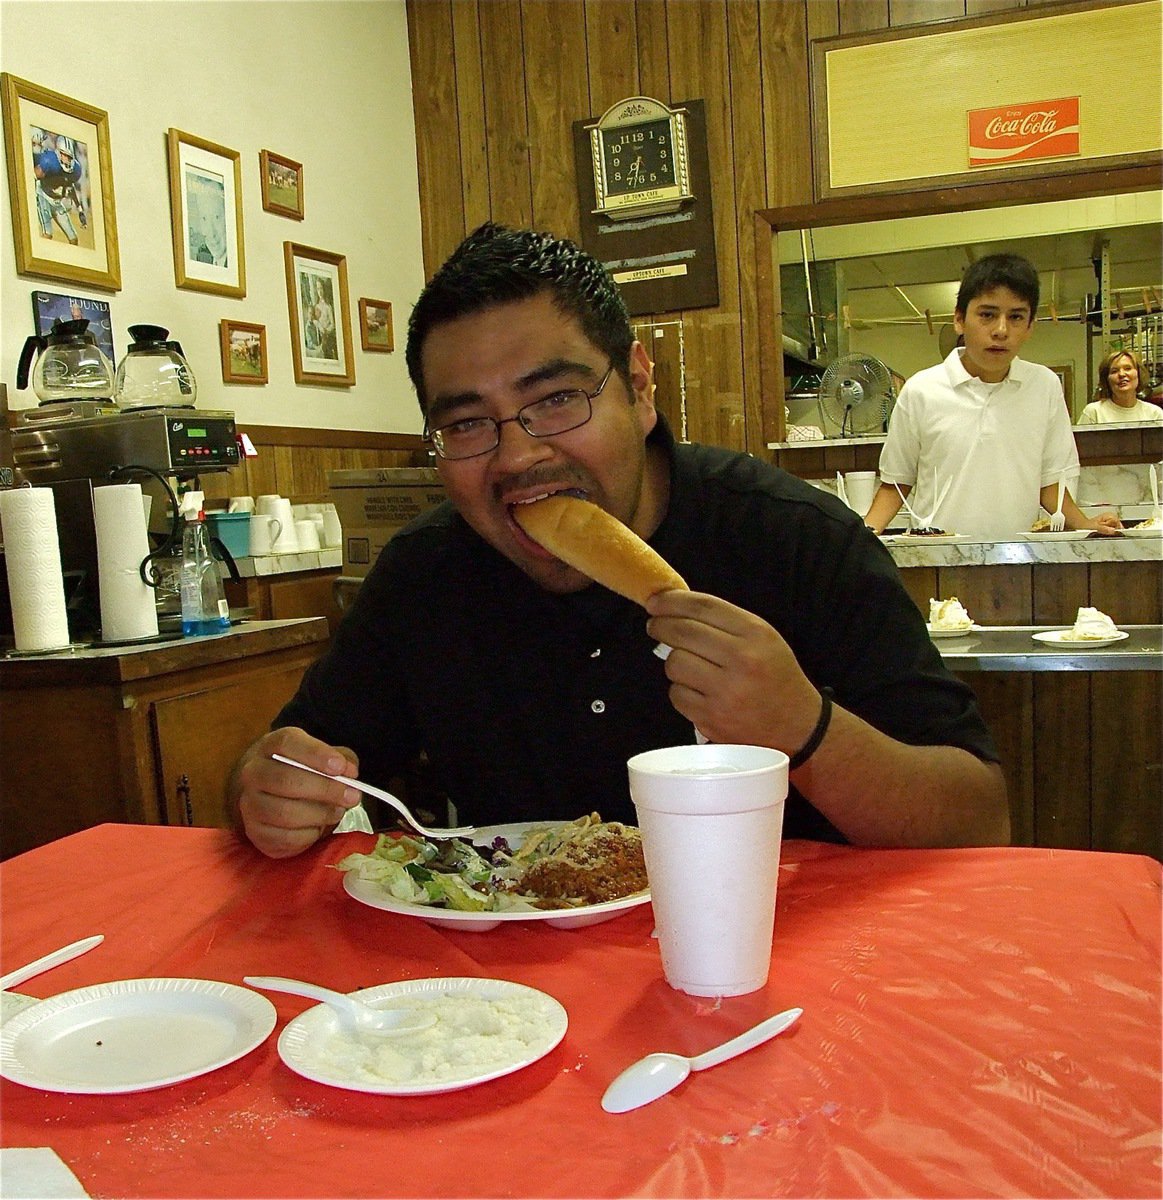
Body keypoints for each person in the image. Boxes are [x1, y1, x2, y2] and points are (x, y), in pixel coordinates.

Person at [230, 223, 1010, 859]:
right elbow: (291, 764)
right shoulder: (424, 574)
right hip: (514, 985)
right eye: (465, 424)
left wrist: (802, 727)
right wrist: (265, 791)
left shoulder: (793, 537)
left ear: (637, 388)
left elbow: (977, 823)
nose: (516, 456)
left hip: (782, 967)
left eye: (556, 399)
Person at [864, 253, 1123, 541]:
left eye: (1016, 317)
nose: (1001, 330)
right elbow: (896, 484)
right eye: (987, 315)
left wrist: (1086, 524)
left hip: (1019, 556)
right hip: (937, 556)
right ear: (959, 320)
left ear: (1030, 326)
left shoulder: (1044, 386)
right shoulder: (921, 390)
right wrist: (860, 540)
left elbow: (1050, 483)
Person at [1077, 350, 1162, 425]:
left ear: (1139, 374)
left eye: (1127, 368)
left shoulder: (1155, 414)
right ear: (1106, 379)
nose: (1122, 374)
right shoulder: (1093, 412)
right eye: (1114, 371)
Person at [34, 135, 86, 246]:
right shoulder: (49, 161)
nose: (67, 159)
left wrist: (80, 210)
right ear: (58, 153)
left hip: (57, 203)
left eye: (69, 156)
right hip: (44, 197)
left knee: (74, 239)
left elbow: (70, 188)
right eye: (64, 155)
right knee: (48, 235)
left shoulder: (75, 169)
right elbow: (34, 176)